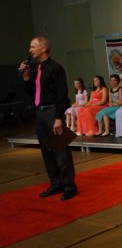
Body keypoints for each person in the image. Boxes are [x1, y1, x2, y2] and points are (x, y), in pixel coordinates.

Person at [20, 36, 78, 200]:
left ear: (43, 49)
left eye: (33, 46)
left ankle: (69, 186)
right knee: (46, 150)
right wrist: (25, 78)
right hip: (40, 112)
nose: (30, 49)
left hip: (53, 111)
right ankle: (55, 183)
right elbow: (33, 92)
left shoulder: (55, 68)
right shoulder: (35, 68)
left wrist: (58, 117)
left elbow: (62, 94)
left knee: (60, 150)